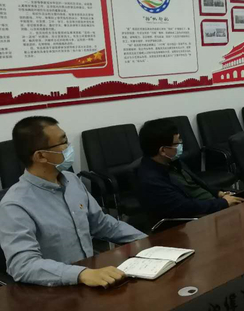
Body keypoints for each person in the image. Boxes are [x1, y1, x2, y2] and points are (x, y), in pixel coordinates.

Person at [0, 116, 146, 288]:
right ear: (41, 156)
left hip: (90, 279)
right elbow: (22, 265)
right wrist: (80, 274)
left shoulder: (72, 180)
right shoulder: (15, 205)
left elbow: (102, 224)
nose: (69, 147)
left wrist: (146, 241)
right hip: (52, 290)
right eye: (64, 143)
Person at [136, 118, 244, 222]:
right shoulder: (152, 181)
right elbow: (186, 208)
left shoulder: (172, 162)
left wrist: (219, 193)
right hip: (197, 218)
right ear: (163, 150)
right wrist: (223, 203)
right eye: (177, 143)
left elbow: (197, 185)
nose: (181, 144)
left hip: (213, 204)